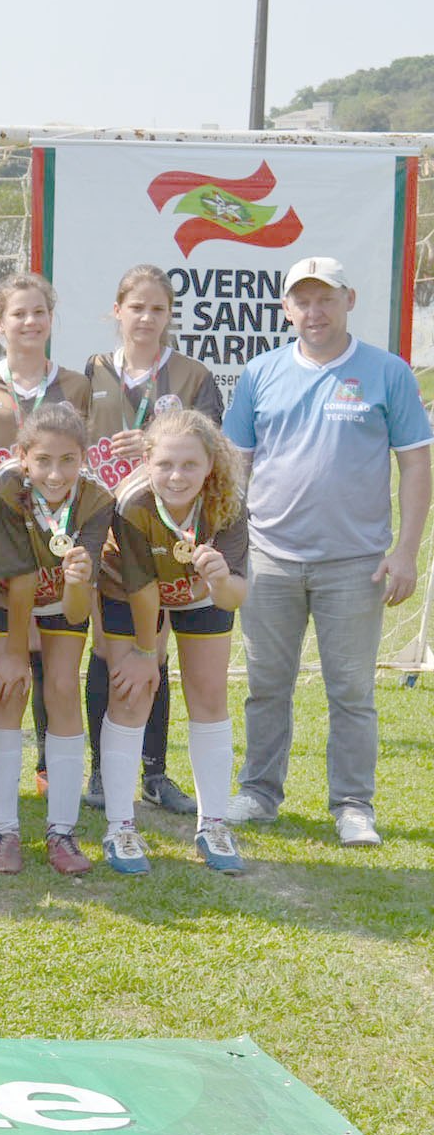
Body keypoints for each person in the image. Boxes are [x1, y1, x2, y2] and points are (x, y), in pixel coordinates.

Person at [224, 255, 432, 846]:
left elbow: (416, 461)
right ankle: (259, 793)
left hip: (356, 564)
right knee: (267, 684)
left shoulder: (387, 372)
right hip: (271, 557)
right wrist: (235, 546)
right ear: (286, 308)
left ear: (350, 299)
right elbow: (236, 463)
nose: (314, 312)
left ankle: (352, 805)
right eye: (302, 301)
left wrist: (406, 551)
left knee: (352, 691)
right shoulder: (260, 373)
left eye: (326, 299)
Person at [79, 264, 223, 817]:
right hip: (104, 528)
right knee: (107, 647)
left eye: (157, 309)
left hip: (170, 530)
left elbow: (209, 448)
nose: (146, 317)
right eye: (136, 307)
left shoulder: (192, 375)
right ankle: (101, 767)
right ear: (118, 311)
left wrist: (154, 444)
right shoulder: (91, 371)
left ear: (169, 316)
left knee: (155, 647)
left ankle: (154, 772)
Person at [0, 272, 91, 807]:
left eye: (39, 312)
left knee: (49, 656)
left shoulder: (78, 385)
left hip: (56, 537)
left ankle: (49, 769)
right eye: (18, 313)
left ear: (52, 319)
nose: (29, 322)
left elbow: (90, 456)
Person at [97, 410, 252, 874]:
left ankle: (214, 824)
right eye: (165, 464)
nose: (177, 476)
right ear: (147, 461)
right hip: (129, 592)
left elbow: (235, 596)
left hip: (199, 594)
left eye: (190, 465)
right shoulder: (133, 503)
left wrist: (220, 579)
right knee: (132, 694)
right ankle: (120, 826)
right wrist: (149, 653)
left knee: (209, 694)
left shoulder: (227, 502)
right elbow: (144, 589)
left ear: (211, 465)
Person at [0, 407, 112, 875]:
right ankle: (3, 831)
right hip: (4, 594)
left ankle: (62, 831)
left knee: (61, 691)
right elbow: (18, 576)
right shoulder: (6, 486)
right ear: (23, 458)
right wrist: (14, 654)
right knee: (9, 692)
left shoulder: (96, 499)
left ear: (84, 458)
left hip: (59, 603)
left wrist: (78, 580)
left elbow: (77, 611)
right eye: (44, 461)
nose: (56, 475)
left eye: (68, 461)